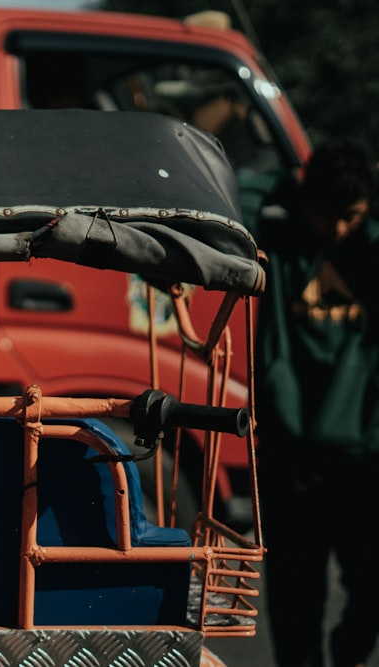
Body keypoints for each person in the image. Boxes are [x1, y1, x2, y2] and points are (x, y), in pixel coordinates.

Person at [254, 138, 379, 667]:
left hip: (365, 459)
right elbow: (235, 188)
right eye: (327, 215)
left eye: (351, 216)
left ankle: (348, 654)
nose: (338, 229)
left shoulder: (373, 253)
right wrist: (290, 185)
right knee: (295, 601)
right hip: (291, 456)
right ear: (305, 204)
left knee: (372, 589)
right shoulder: (278, 244)